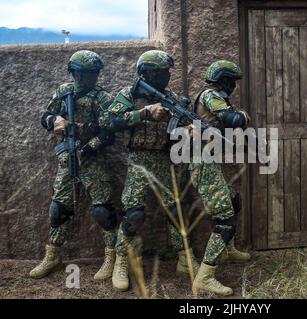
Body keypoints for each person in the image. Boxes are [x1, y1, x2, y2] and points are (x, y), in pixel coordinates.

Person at [107, 50, 198, 291]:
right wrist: (145, 112)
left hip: (164, 159)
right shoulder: (129, 94)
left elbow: (183, 124)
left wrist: (188, 131)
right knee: (134, 213)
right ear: (147, 73)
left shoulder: (170, 96)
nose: (167, 76)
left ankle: (185, 260)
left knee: (176, 210)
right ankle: (122, 261)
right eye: (162, 72)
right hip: (139, 159)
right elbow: (110, 122)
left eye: (168, 72)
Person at [30, 50, 117, 281]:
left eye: (91, 74)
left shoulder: (103, 98)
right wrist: (55, 121)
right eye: (81, 74)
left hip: (93, 160)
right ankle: (53, 255)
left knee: (103, 211)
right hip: (67, 159)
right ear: (73, 73)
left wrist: (86, 148)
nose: (86, 78)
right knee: (59, 209)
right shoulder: (63, 91)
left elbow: (109, 133)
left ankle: (112, 257)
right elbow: (46, 116)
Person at [189, 60, 252, 296]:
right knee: (227, 220)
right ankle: (204, 277)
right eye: (232, 81)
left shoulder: (213, 96)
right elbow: (233, 120)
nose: (234, 86)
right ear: (224, 80)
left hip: (209, 161)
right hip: (202, 163)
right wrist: (244, 115)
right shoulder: (211, 95)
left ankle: (228, 249)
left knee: (233, 201)